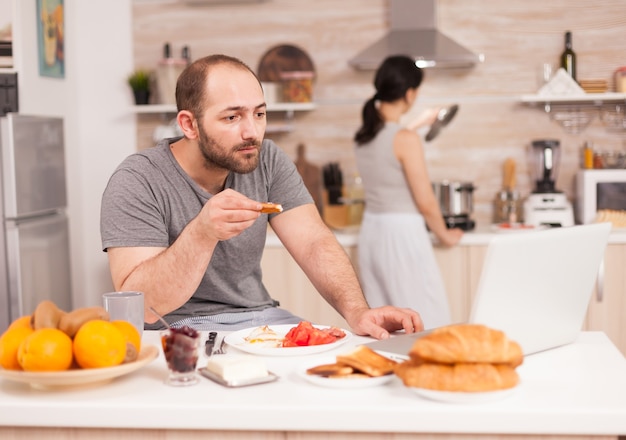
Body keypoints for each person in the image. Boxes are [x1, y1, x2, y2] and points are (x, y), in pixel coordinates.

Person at [100, 54, 423, 339]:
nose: (252, 132)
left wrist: (357, 311)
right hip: (177, 332)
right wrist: (201, 232)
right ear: (189, 124)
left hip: (260, 321)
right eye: (232, 117)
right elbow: (140, 305)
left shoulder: (267, 159)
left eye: (259, 114)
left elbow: (313, 242)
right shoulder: (138, 180)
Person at [353, 55, 463, 330]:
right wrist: (445, 235)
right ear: (410, 93)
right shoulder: (405, 140)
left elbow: (389, 146)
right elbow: (425, 202)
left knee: (386, 323)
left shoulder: (363, 136)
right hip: (402, 237)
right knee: (425, 319)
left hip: (372, 233)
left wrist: (417, 123)